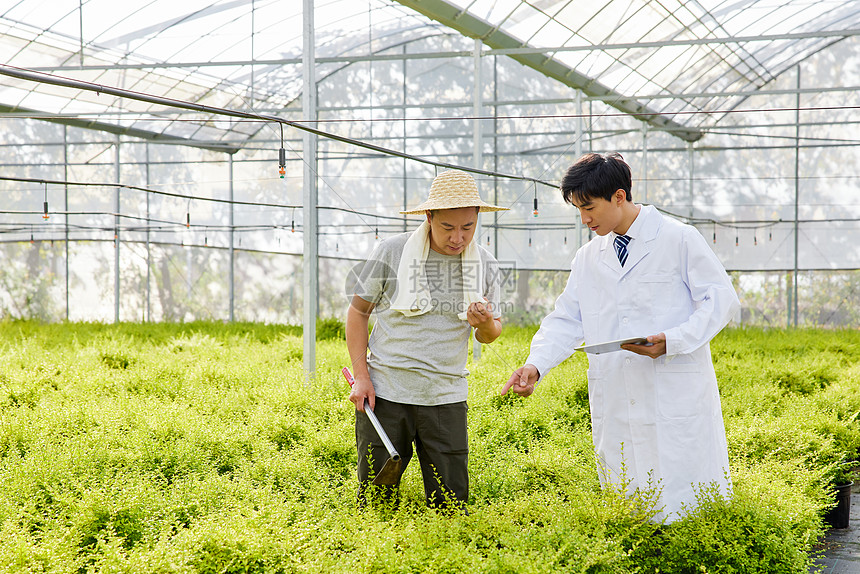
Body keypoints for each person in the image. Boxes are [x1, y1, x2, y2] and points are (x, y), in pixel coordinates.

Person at [502, 152, 740, 522]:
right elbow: (567, 318)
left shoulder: (678, 239)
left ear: (618, 196)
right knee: (628, 507)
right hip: (616, 396)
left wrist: (673, 340)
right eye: (577, 209)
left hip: (672, 390)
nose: (584, 219)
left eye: (588, 206)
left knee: (686, 505)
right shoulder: (588, 257)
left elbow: (721, 300)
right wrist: (536, 364)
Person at [346, 170, 506, 509]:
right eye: (448, 227)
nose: (458, 238)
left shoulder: (485, 265)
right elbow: (358, 312)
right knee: (376, 500)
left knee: (450, 505)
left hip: (445, 398)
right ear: (429, 217)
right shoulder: (392, 251)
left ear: (478, 219)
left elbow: (491, 335)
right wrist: (361, 377)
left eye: (468, 227)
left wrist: (486, 323)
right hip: (386, 395)